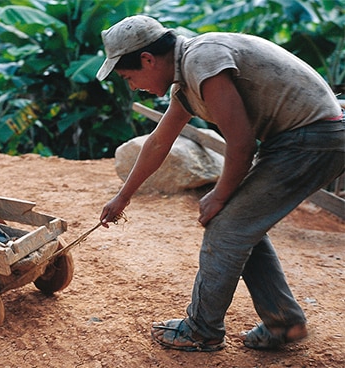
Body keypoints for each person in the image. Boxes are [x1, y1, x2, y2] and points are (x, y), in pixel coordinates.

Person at [96, 15, 344, 352]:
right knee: (240, 225)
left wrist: (218, 195)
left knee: (226, 227)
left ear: (147, 60)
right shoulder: (187, 79)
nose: (132, 86)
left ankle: (201, 329)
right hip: (302, 139)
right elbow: (158, 143)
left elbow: (242, 144)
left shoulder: (202, 59)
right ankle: (283, 322)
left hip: (311, 138)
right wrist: (122, 198)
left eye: (129, 77)